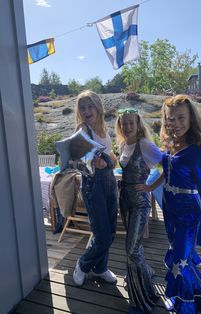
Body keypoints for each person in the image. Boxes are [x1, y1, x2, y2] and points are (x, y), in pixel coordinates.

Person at [136, 95, 201, 313]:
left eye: (181, 118)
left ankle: (187, 305)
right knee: (184, 256)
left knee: (182, 259)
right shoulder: (171, 144)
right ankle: (193, 294)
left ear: (191, 119)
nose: (175, 124)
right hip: (170, 211)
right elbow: (167, 170)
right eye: (171, 119)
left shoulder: (199, 152)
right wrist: (151, 188)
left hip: (189, 213)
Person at [115, 108, 163, 314]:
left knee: (132, 250)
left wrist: (151, 187)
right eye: (123, 123)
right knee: (135, 247)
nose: (126, 127)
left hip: (140, 203)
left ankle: (141, 297)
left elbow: (166, 166)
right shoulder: (123, 145)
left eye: (130, 123)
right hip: (124, 202)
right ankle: (140, 277)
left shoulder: (145, 145)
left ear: (138, 124)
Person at [72, 90, 118, 286]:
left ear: (98, 108)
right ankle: (82, 265)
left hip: (109, 183)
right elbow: (76, 161)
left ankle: (100, 269)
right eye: (83, 108)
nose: (86, 110)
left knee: (111, 232)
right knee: (103, 235)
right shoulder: (82, 131)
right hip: (93, 186)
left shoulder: (104, 130)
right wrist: (94, 163)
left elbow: (110, 155)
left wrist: (111, 158)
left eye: (90, 106)